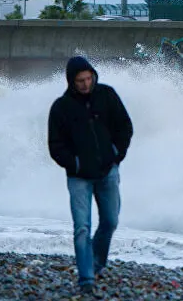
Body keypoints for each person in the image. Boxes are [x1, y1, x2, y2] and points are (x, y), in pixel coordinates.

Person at [47, 56, 133, 295]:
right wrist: (73, 163)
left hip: (108, 171)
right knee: (82, 228)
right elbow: (55, 145)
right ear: (71, 82)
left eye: (88, 79)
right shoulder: (61, 107)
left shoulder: (107, 95)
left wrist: (116, 153)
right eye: (80, 81)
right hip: (78, 177)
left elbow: (125, 127)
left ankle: (96, 264)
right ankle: (86, 279)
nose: (86, 84)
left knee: (110, 221)